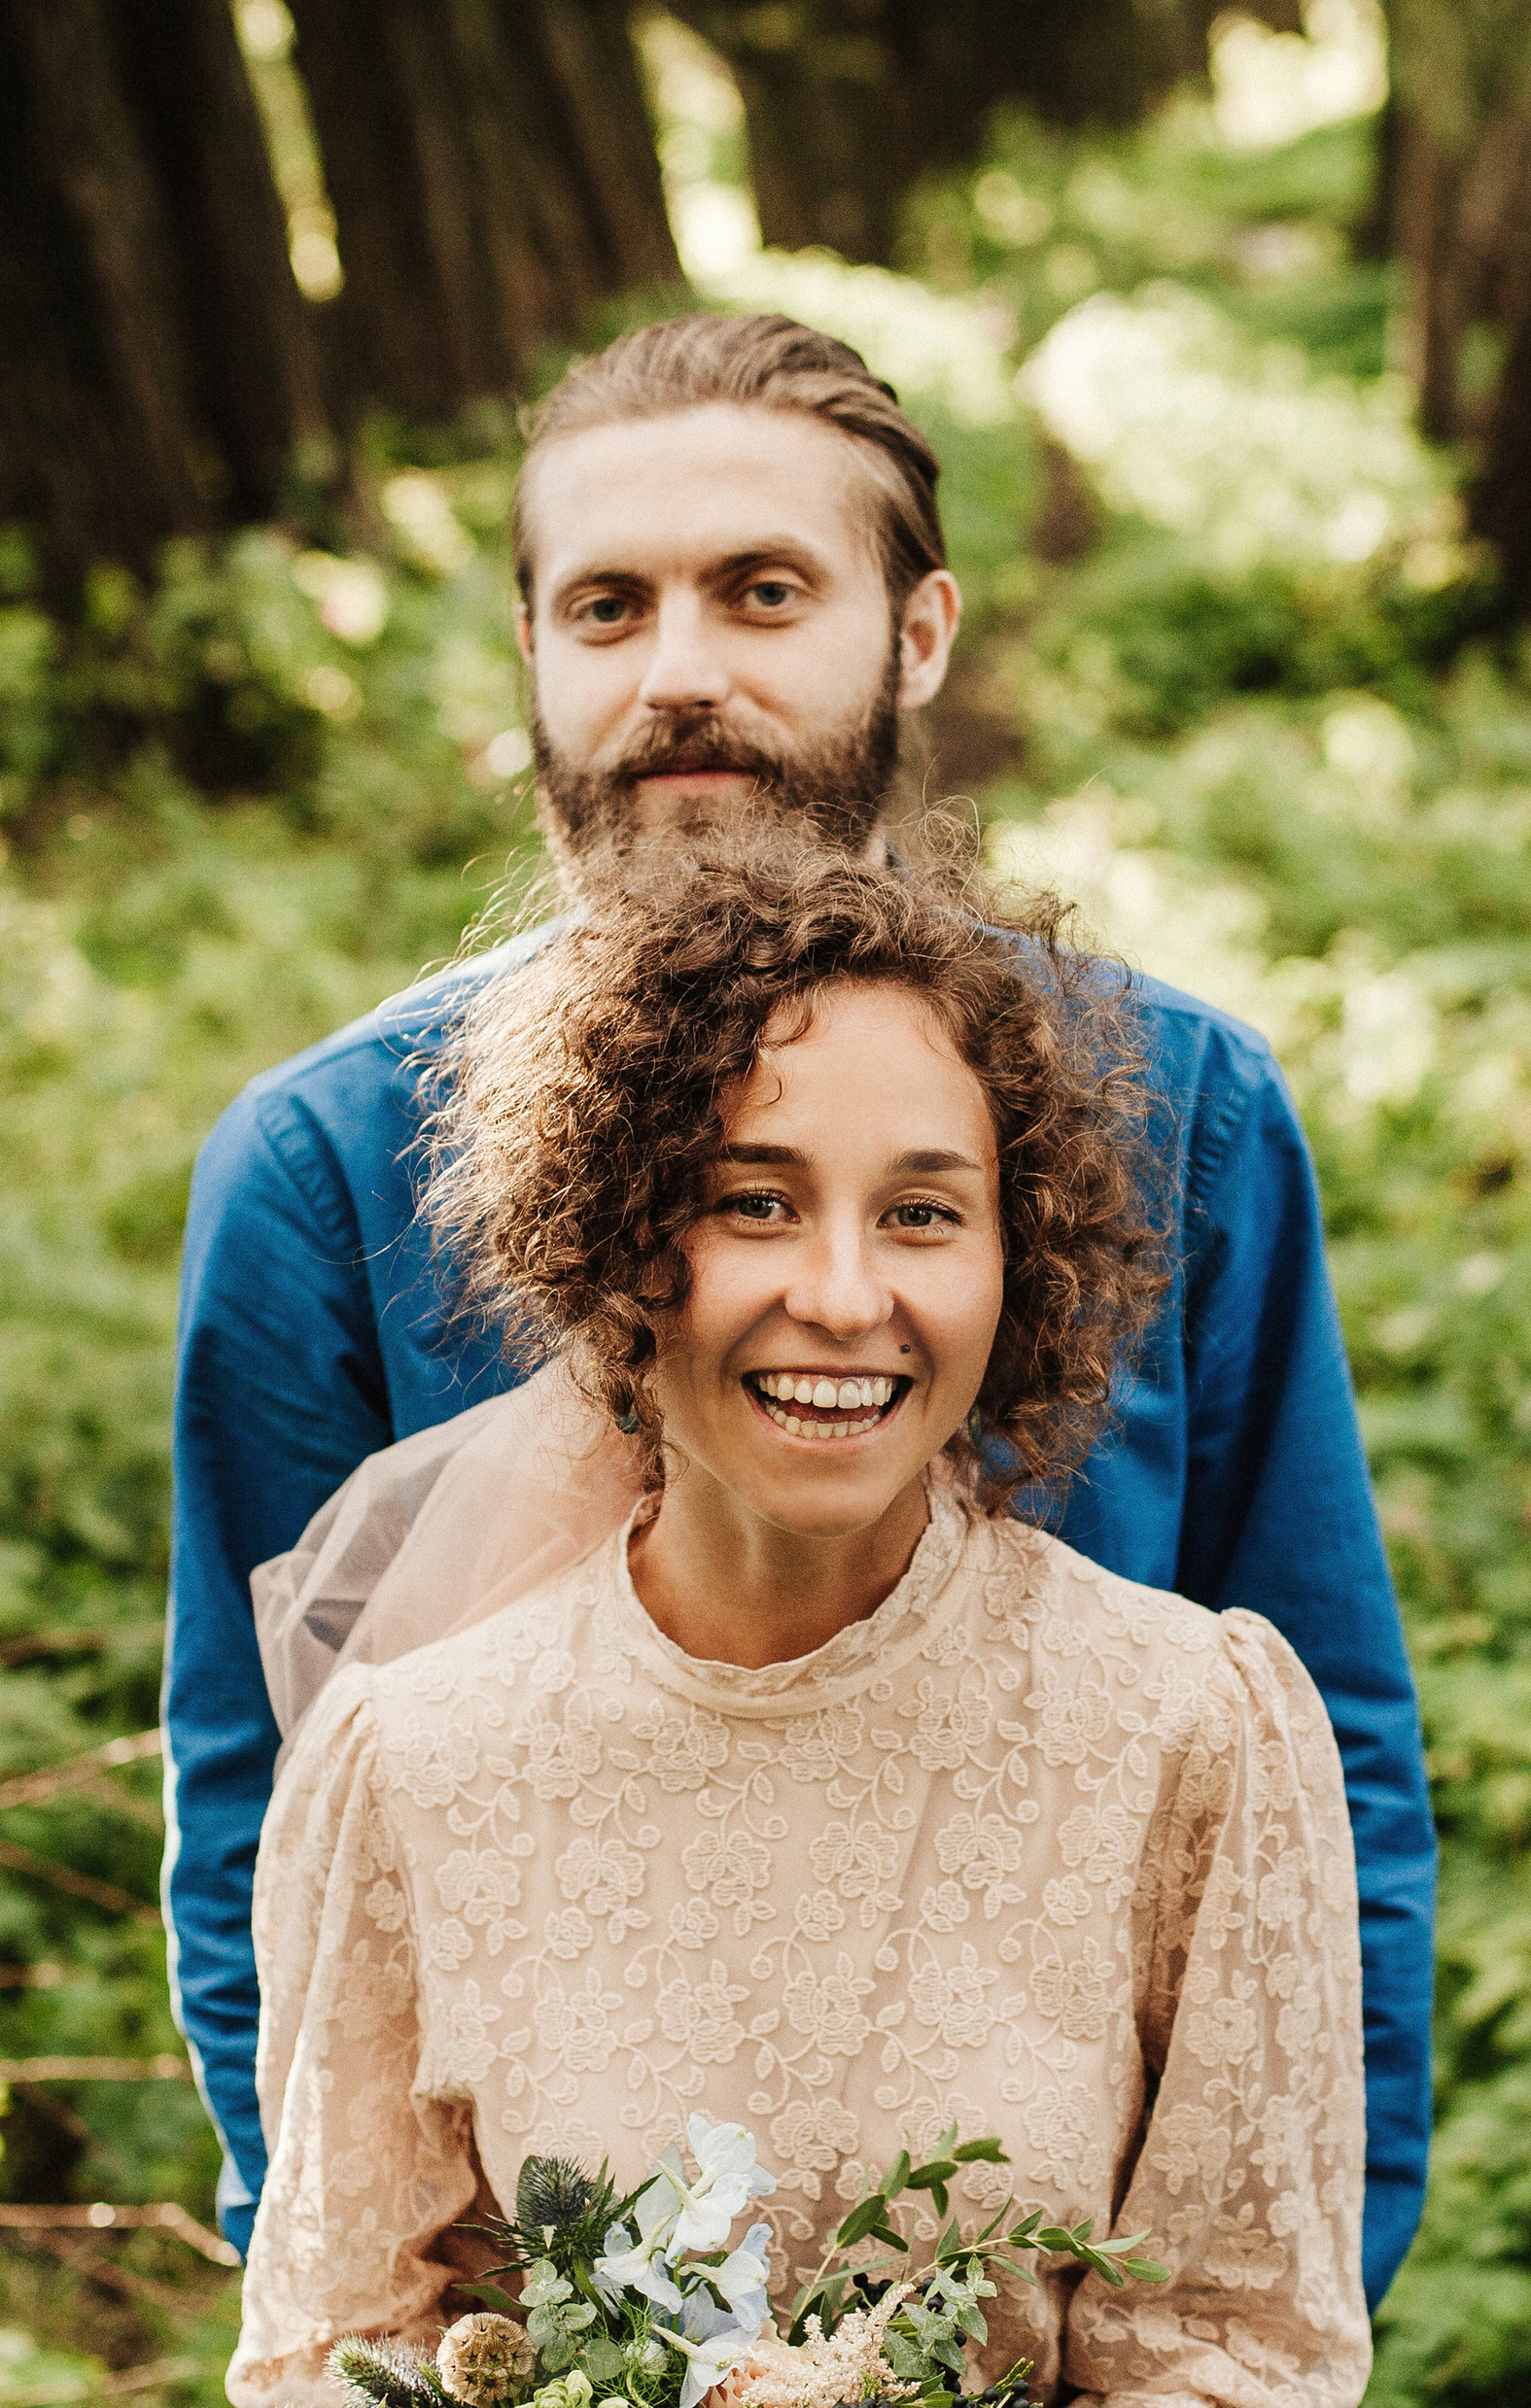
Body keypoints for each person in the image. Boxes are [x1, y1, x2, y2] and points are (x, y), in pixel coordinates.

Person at [165, 312, 1436, 2294]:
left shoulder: (1179, 1110)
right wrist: (409, 2317)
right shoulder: (323, 1174)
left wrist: (1278, 2281)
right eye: (606, 604)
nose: (680, 671)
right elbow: (267, 1827)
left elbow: (1324, 1752)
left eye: (761, 591)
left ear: (916, 631)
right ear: (529, 653)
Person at [227, 842, 1370, 2407]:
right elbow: (337, 2355)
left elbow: (1244, 2348)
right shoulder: (414, 1766)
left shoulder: (1192, 1730)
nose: (844, 1293)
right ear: (617, 1240)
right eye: (755, 1203)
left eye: (922, 1214)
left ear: (1014, 1259)